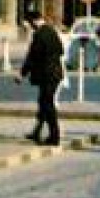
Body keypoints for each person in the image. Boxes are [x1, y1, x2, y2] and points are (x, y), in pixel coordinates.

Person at [19, 9, 64, 147]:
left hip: (47, 75)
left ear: (33, 21)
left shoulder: (39, 34)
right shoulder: (51, 31)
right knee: (44, 103)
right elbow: (61, 50)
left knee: (47, 105)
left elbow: (33, 56)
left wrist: (22, 74)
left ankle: (54, 137)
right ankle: (37, 131)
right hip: (55, 73)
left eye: (30, 23)